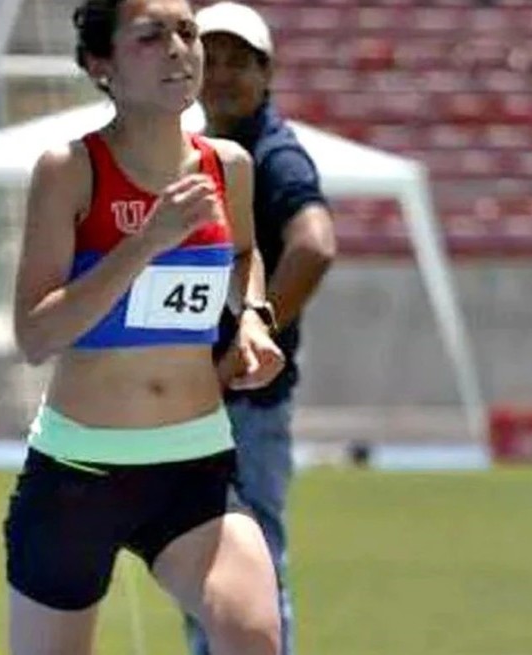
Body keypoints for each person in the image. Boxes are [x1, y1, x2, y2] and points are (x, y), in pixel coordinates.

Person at [4, 0, 289, 653]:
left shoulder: (228, 166)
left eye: (186, 32)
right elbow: (35, 335)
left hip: (194, 466)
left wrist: (251, 317)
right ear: (101, 64)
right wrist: (146, 242)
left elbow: (243, 253)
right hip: (78, 473)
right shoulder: (69, 169)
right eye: (150, 36)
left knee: (253, 635)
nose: (179, 50)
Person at [184, 3, 338, 655]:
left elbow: (315, 244)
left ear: (266, 73)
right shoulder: (201, 148)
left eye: (237, 62)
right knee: (207, 572)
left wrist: (254, 329)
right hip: (207, 401)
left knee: (248, 573)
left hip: (243, 405)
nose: (220, 75)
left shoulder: (272, 155)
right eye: (209, 60)